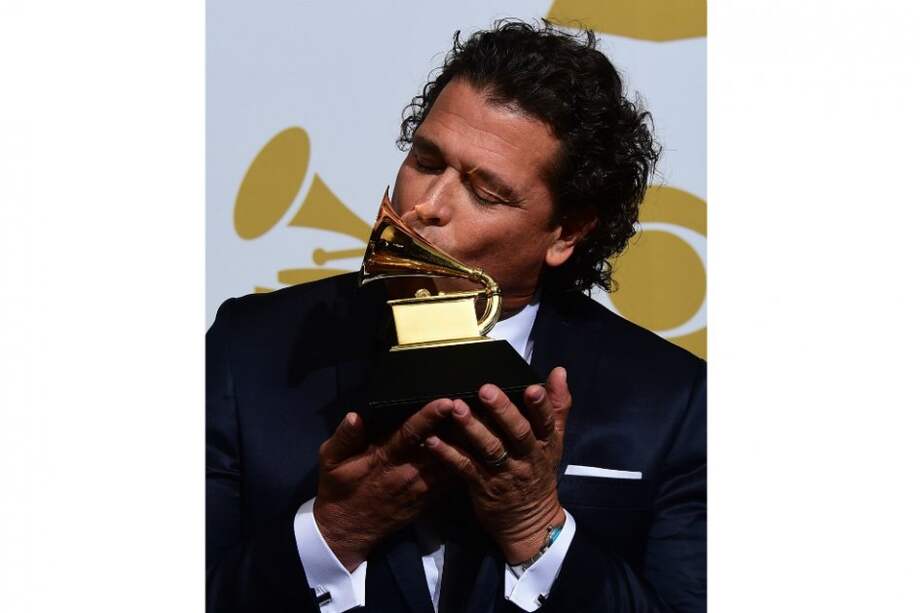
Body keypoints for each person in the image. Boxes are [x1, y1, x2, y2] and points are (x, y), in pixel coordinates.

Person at [207, 20, 706, 613]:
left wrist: (536, 532)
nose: (427, 206)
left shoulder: (673, 401)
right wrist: (333, 534)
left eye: (485, 192)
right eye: (425, 158)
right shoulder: (249, 350)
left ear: (566, 232)